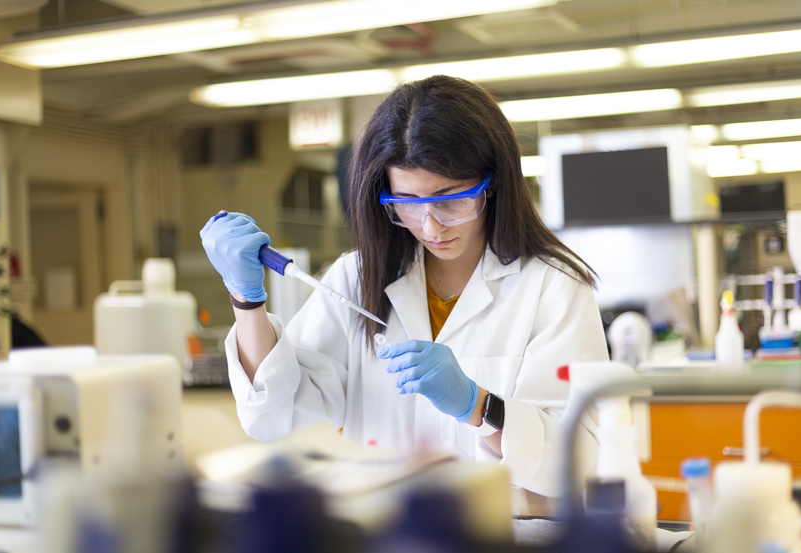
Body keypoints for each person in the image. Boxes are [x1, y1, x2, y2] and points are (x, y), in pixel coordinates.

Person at [200, 75, 609, 515]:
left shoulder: (553, 286)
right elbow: (275, 417)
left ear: (492, 183)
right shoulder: (355, 279)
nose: (431, 225)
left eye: (451, 199)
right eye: (408, 202)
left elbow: (581, 460)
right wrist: (246, 299)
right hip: (383, 532)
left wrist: (478, 405)